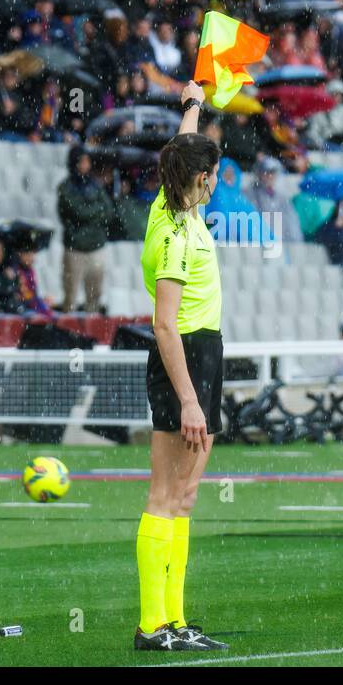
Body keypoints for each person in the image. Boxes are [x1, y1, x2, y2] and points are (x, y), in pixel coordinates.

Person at [134, 79, 228, 652]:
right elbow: (164, 325)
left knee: (185, 497)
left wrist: (192, 105)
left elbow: (183, 148)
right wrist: (189, 399)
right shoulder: (174, 235)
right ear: (201, 179)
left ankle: (174, 619)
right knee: (165, 495)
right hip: (184, 357)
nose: (216, 181)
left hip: (204, 352)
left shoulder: (176, 204)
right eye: (212, 174)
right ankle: (152, 625)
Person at [57, 146, 112, 312]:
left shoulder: (95, 185)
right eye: (82, 161)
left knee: (95, 294)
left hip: (96, 245)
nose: (86, 165)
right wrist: (96, 211)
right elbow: (78, 212)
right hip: (75, 247)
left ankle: (92, 321)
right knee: (70, 294)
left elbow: (109, 210)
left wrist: (90, 213)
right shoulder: (66, 187)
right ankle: (68, 322)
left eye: (88, 161)